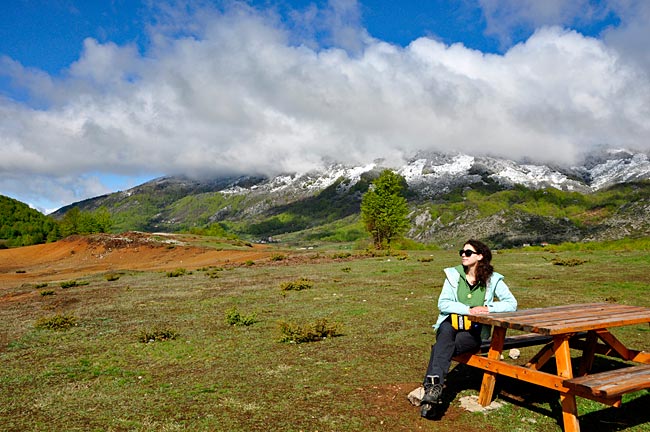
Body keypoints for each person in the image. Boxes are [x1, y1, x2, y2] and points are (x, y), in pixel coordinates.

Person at [420, 239, 517, 418]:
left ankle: (430, 388)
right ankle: (434, 389)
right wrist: (468, 310)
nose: (463, 255)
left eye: (468, 252)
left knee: (441, 348)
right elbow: (443, 303)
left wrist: (489, 308)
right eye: (462, 252)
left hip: (474, 330)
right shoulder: (453, 275)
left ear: (480, 256)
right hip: (450, 323)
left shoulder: (493, 279)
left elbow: (512, 303)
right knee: (445, 333)